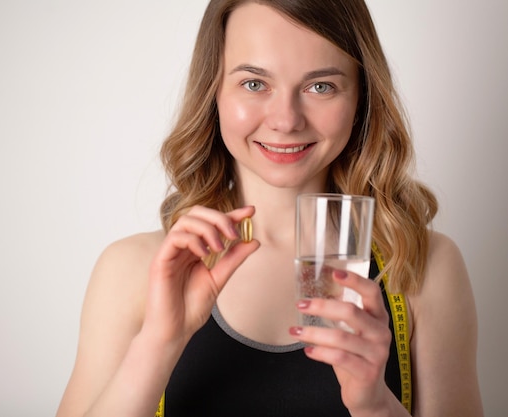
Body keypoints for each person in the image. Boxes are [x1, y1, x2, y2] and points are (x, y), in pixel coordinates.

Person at [56, 1, 483, 416]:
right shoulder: (132, 269)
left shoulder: (422, 267)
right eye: (254, 83)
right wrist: (160, 343)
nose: (286, 119)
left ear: (361, 101)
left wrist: (374, 405)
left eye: (321, 86)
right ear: (214, 93)